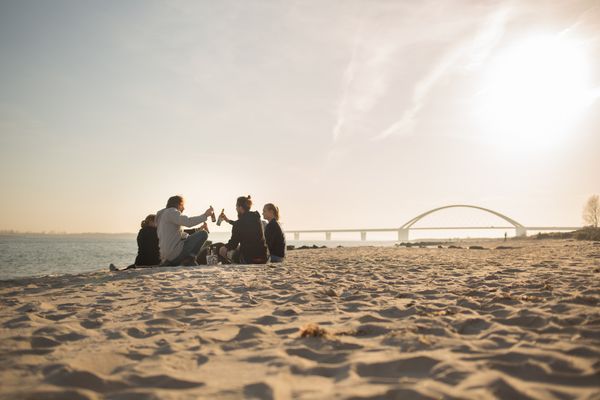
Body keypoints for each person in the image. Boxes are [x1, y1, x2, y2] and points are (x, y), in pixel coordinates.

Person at [156, 195, 213, 266]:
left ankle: (184, 261)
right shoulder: (171, 211)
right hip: (174, 254)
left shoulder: (162, 215)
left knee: (191, 237)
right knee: (203, 234)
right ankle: (190, 259)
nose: (184, 208)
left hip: (165, 256)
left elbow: (174, 234)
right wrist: (205, 215)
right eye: (182, 205)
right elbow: (188, 222)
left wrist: (189, 235)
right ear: (178, 204)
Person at [219, 195, 267, 264]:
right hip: (263, 257)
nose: (236, 209)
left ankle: (230, 264)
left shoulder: (239, 224)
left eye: (236, 207)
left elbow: (233, 244)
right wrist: (228, 220)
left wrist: (225, 247)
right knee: (240, 247)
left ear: (240, 208)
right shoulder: (257, 219)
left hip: (248, 258)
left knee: (222, 250)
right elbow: (244, 225)